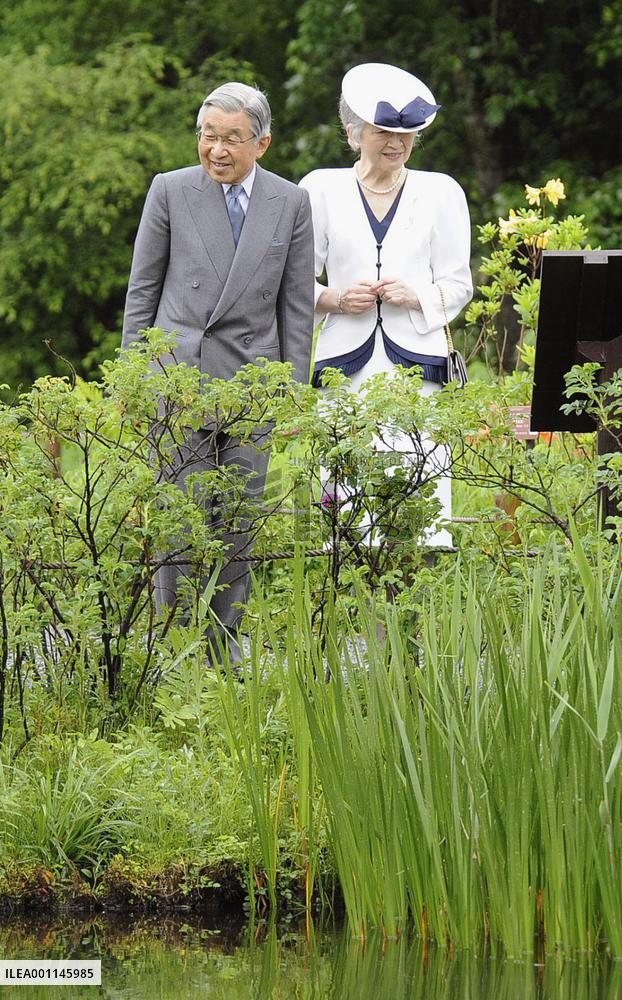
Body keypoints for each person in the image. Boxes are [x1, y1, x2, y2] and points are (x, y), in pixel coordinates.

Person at [122, 82, 315, 662]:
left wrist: (291, 393)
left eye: (232, 138)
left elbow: (296, 306)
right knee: (178, 523)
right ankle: (175, 648)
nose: (217, 149)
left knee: (238, 523)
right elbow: (143, 291)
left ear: (262, 143)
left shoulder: (291, 202)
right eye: (208, 135)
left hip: (252, 386)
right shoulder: (170, 190)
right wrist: (135, 379)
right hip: (179, 382)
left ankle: (225, 651)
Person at [299, 63, 472, 548]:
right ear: (353, 133)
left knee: (420, 489)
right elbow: (293, 282)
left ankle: (421, 587)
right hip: (343, 367)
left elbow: (459, 284)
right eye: (383, 132)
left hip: (418, 368)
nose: (396, 143)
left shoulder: (441, 192)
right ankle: (350, 585)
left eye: (406, 133)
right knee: (346, 497)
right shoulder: (319, 188)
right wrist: (334, 298)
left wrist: (416, 295)